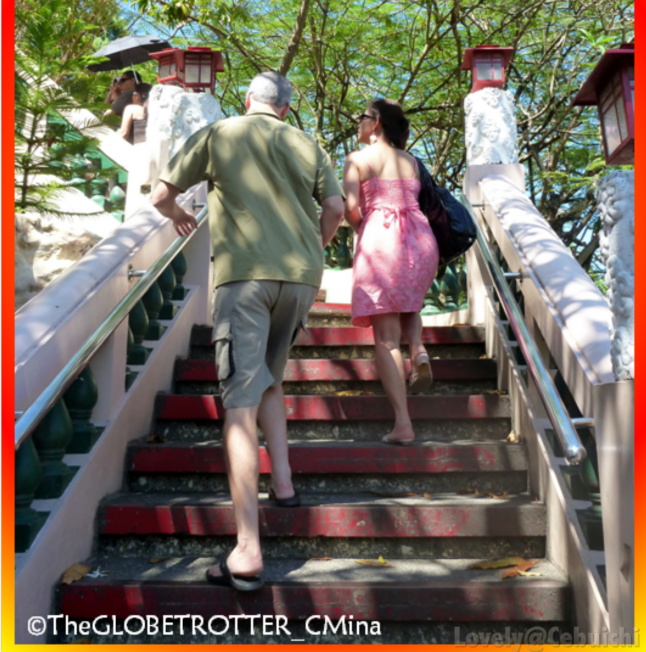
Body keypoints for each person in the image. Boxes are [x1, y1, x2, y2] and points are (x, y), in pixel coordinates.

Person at [150, 71, 345, 591]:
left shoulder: (220, 133)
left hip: (244, 278)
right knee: (269, 380)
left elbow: (160, 194)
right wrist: (316, 250)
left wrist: (177, 216)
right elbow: (335, 209)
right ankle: (283, 483)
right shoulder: (306, 142)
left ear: (247, 101)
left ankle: (247, 549)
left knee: (238, 404)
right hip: (301, 277)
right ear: (285, 107)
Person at [343, 99, 438, 446]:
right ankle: (418, 349)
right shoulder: (411, 160)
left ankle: (403, 423)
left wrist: (361, 228)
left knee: (385, 337)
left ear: (377, 122)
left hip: (383, 240)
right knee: (410, 303)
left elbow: (351, 207)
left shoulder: (358, 159)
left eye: (363, 117)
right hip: (421, 238)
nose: (358, 122)